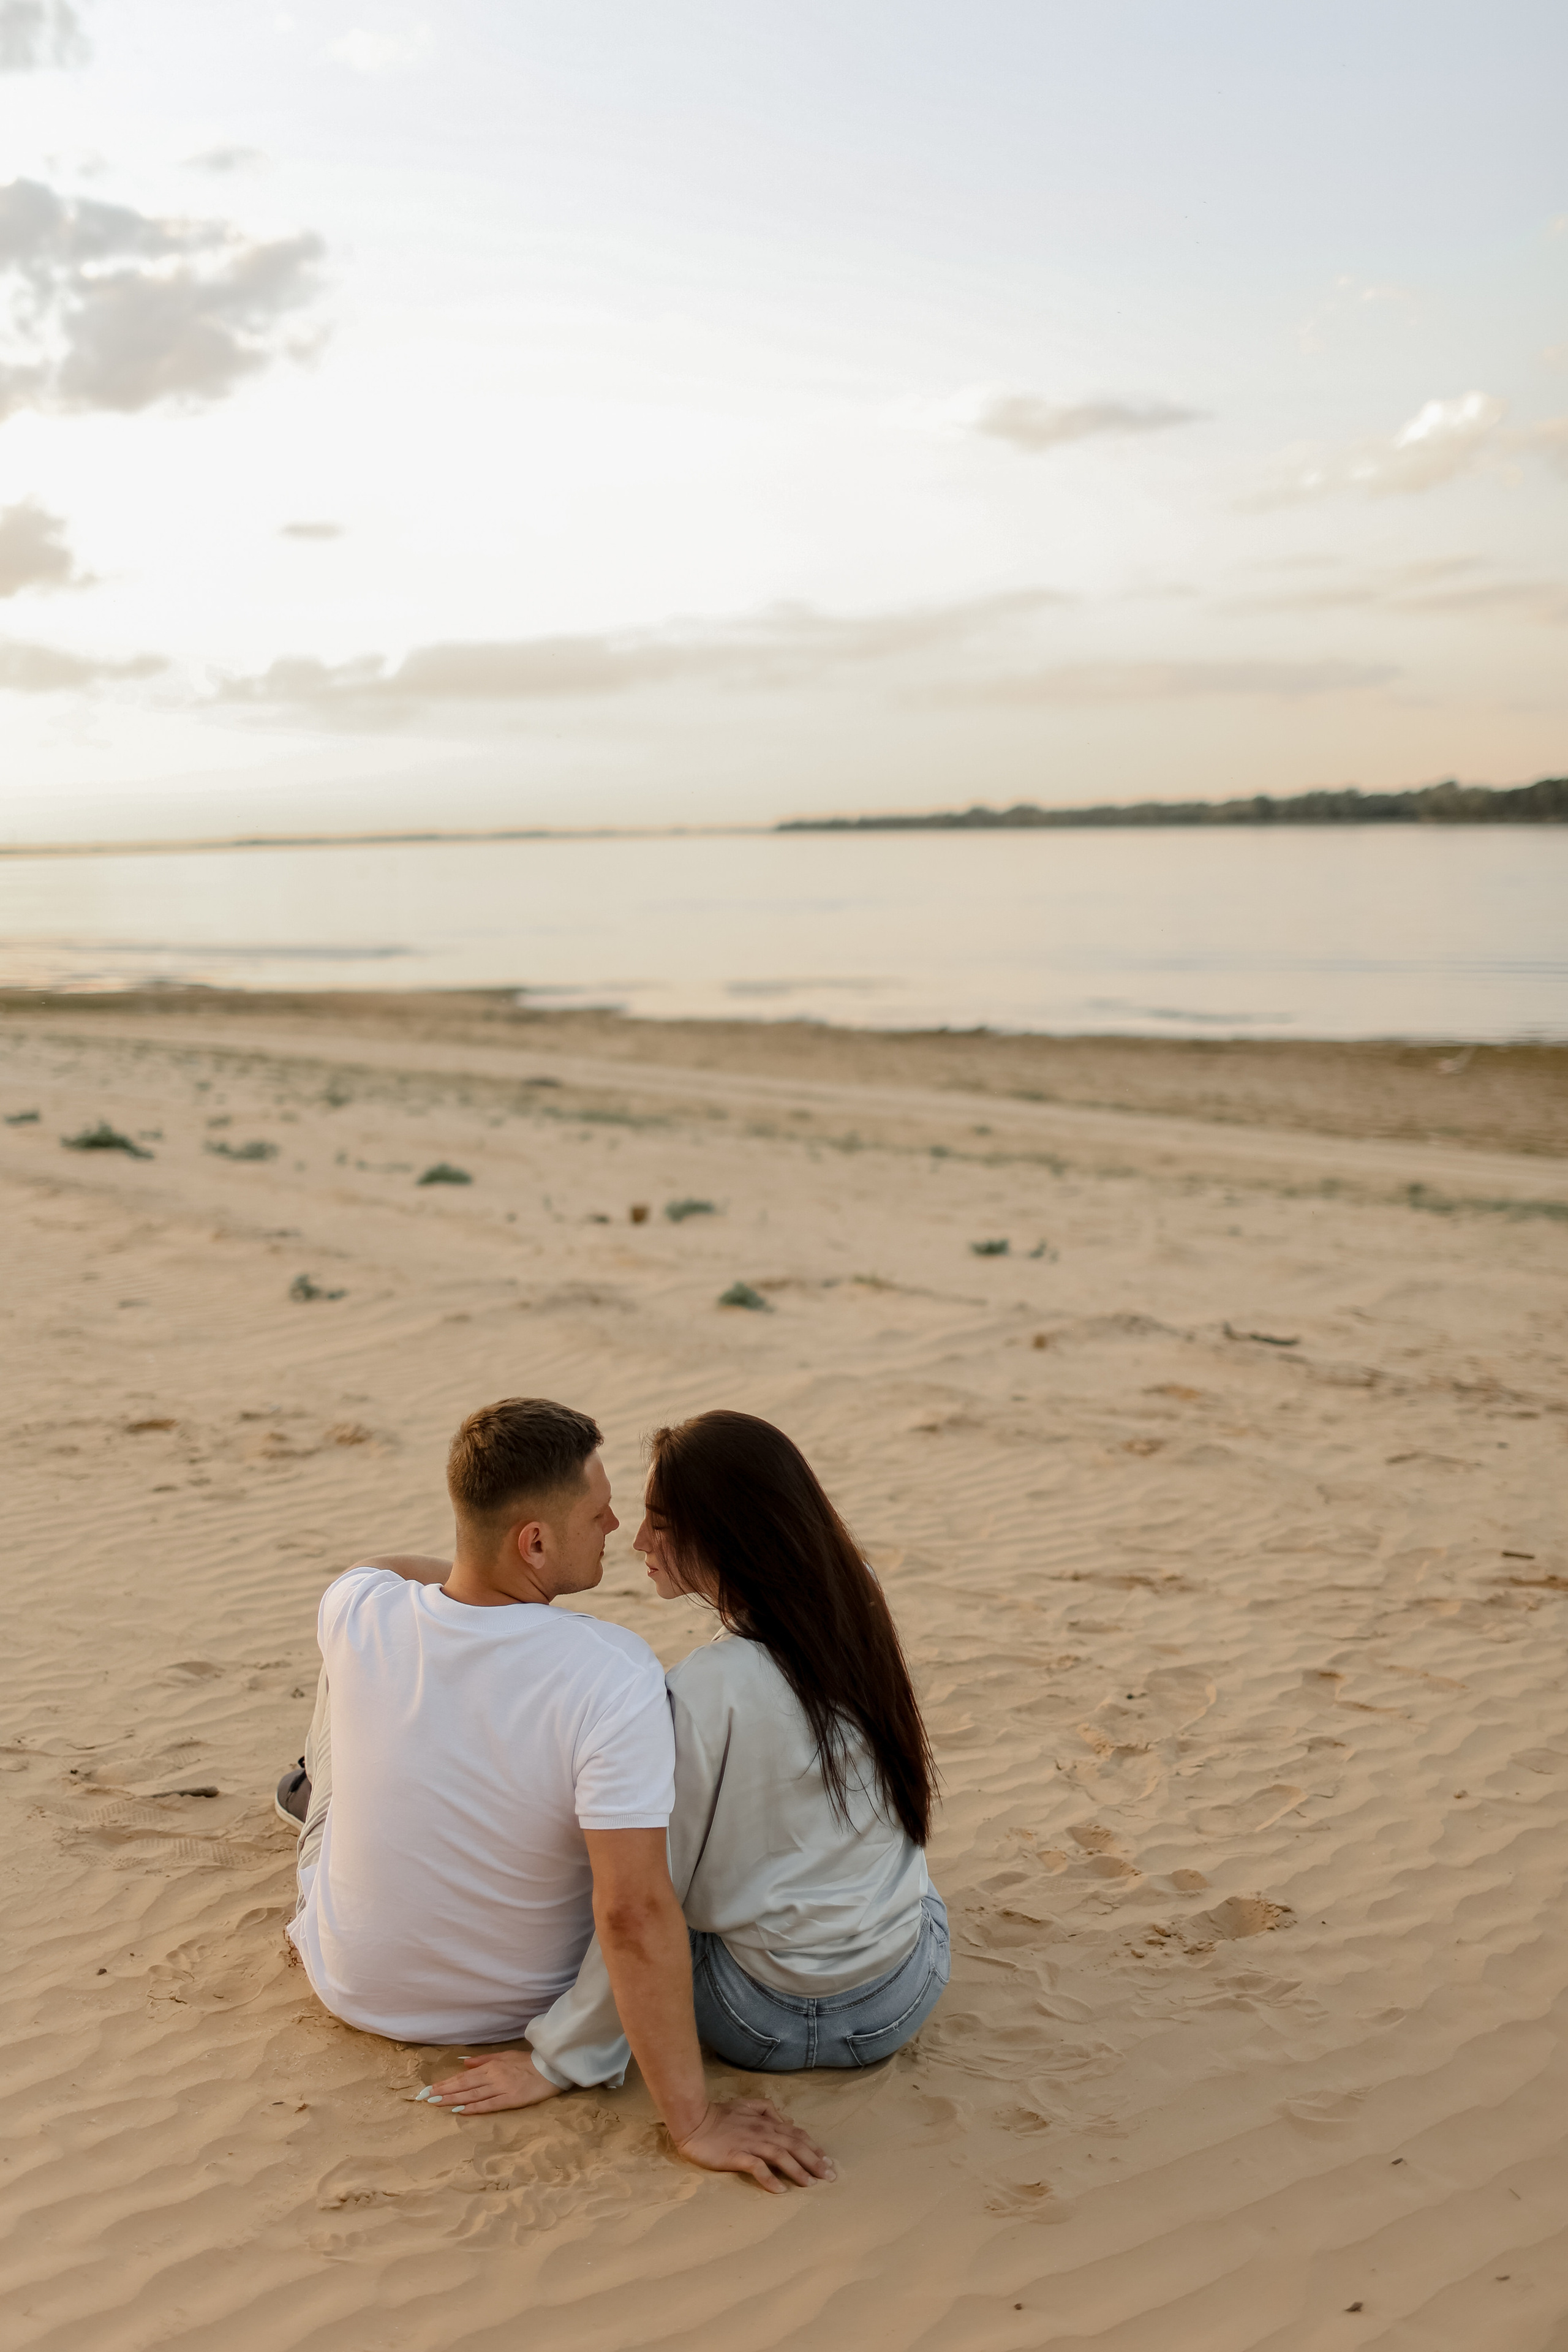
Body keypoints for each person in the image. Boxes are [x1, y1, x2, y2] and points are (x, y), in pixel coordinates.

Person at [279, 1395, 831, 2195]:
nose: (617, 1527)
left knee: (340, 1699)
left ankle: (330, 1788)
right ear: (534, 1542)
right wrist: (693, 2123)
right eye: (598, 1512)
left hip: (352, 1985)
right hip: (515, 2010)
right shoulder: (613, 1669)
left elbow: (374, 1571)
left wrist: (465, 1583)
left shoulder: (357, 1609)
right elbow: (632, 1909)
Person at [439, 1409, 948, 2107]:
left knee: (633, 1881)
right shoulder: (854, 1598)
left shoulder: (701, 1692)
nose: (637, 1540)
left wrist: (555, 2061)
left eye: (662, 1523)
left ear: (723, 1533)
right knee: (913, 1886)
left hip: (755, 2020)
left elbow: (644, 1904)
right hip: (899, 1999)